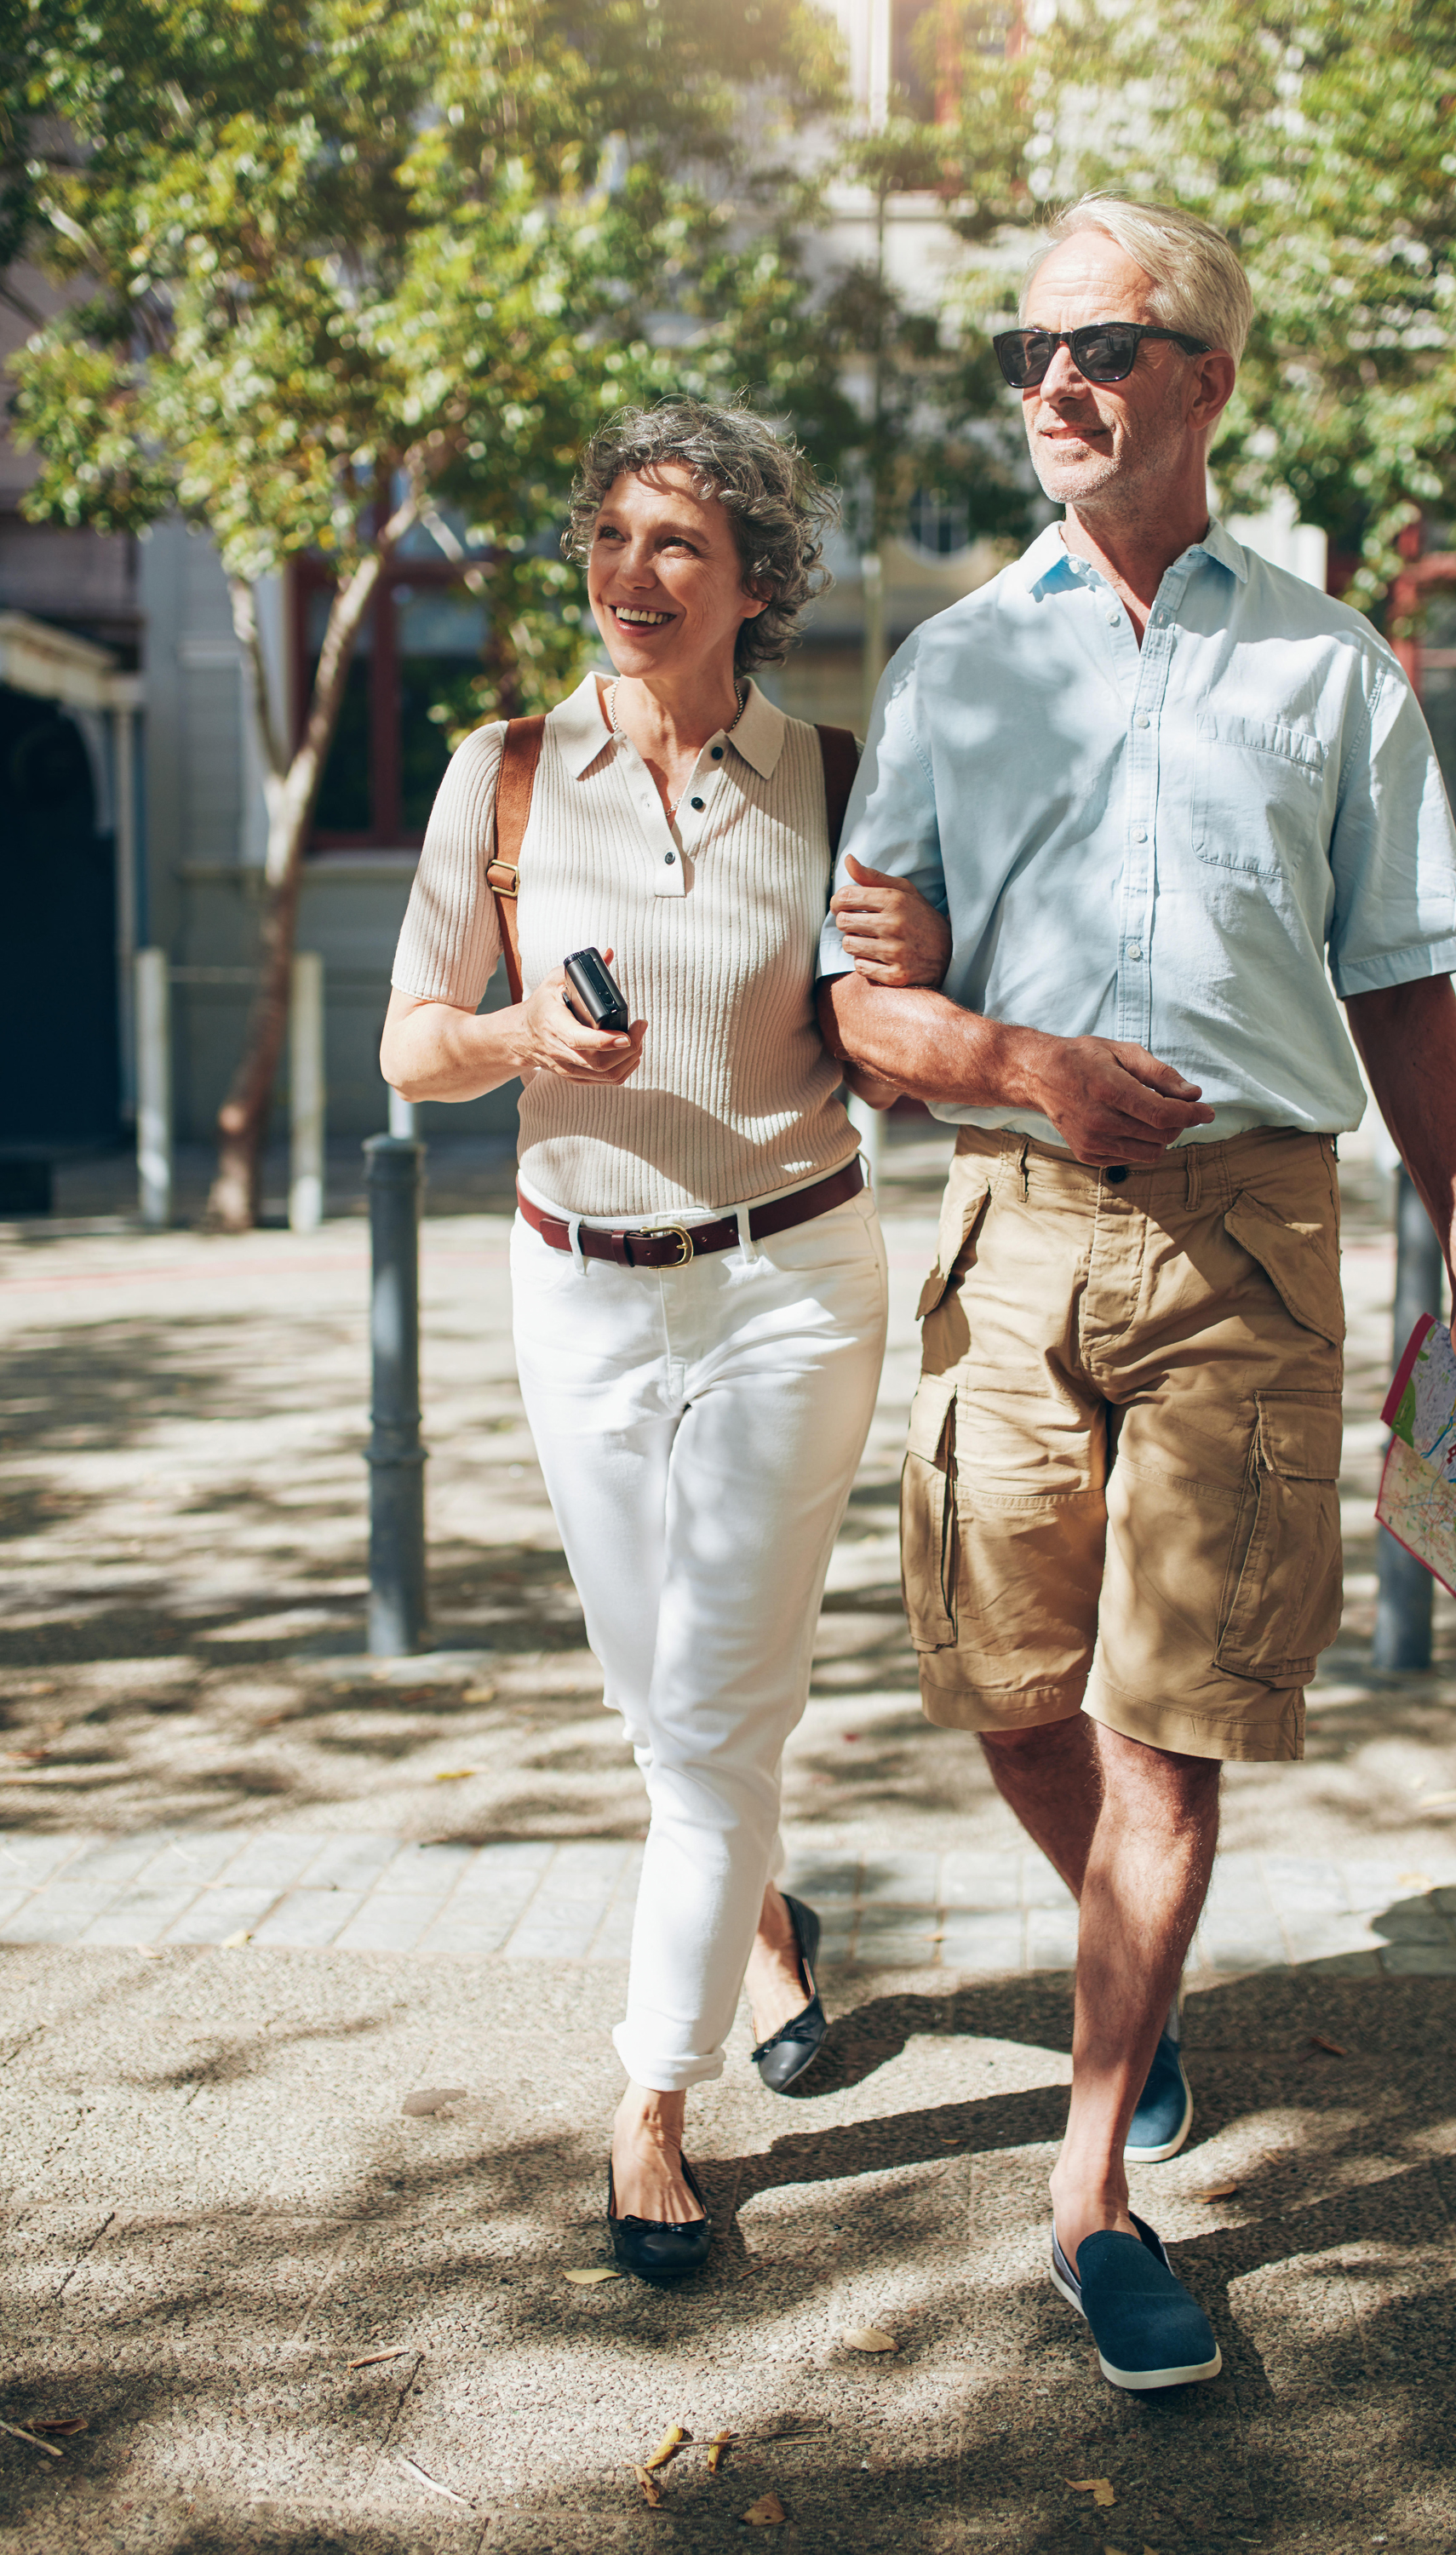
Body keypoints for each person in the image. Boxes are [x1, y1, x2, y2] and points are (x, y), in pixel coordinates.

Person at [819, 196, 1456, 2392]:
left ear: (1209, 381)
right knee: (1001, 1682)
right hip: (1019, 1228)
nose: (1057, 382)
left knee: (1176, 1724)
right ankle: (1117, 1975)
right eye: (1029, 349)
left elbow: (1404, 980)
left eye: (1107, 347)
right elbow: (868, 1002)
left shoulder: (1330, 669)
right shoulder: (958, 663)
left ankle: (1092, 2187)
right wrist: (1012, 1061)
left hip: (1257, 1241)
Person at [380, 397, 948, 2283]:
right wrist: (522, 1036)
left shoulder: (839, 776)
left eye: (679, 545)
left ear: (758, 582)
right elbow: (408, 1041)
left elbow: (894, 1023)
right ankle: (762, 1917)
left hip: (792, 1282)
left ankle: (650, 2100)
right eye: (613, 537)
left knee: (712, 1721)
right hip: (578, 1283)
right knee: (664, 1706)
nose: (635, 576)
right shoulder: (510, 774)